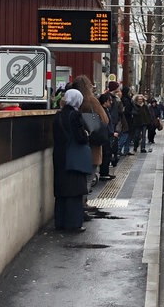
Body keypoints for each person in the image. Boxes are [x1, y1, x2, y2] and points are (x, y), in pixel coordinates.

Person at [52, 89, 90, 232]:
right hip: (73, 157)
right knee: (74, 190)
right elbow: (80, 137)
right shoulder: (75, 115)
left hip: (59, 155)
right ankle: (73, 223)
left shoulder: (58, 115)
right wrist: (86, 134)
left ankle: (60, 222)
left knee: (61, 191)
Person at [71, 75, 109, 208]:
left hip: (76, 145)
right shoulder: (91, 100)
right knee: (89, 176)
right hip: (92, 145)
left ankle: (78, 203)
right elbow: (104, 120)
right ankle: (83, 204)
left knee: (78, 178)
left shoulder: (72, 101)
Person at [97, 93, 117, 181]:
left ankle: (105, 172)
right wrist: (111, 133)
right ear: (105, 102)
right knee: (106, 154)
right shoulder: (102, 111)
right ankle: (103, 173)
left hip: (107, 134)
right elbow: (105, 124)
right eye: (109, 101)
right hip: (105, 135)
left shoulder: (106, 110)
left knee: (107, 154)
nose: (111, 102)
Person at [119, 86, 134, 155]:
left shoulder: (125, 99)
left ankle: (126, 149)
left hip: (127, 118)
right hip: (127, 119)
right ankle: (120, 149)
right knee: (126, 134)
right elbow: (127, 110)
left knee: (127, 134)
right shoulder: (126, 100)